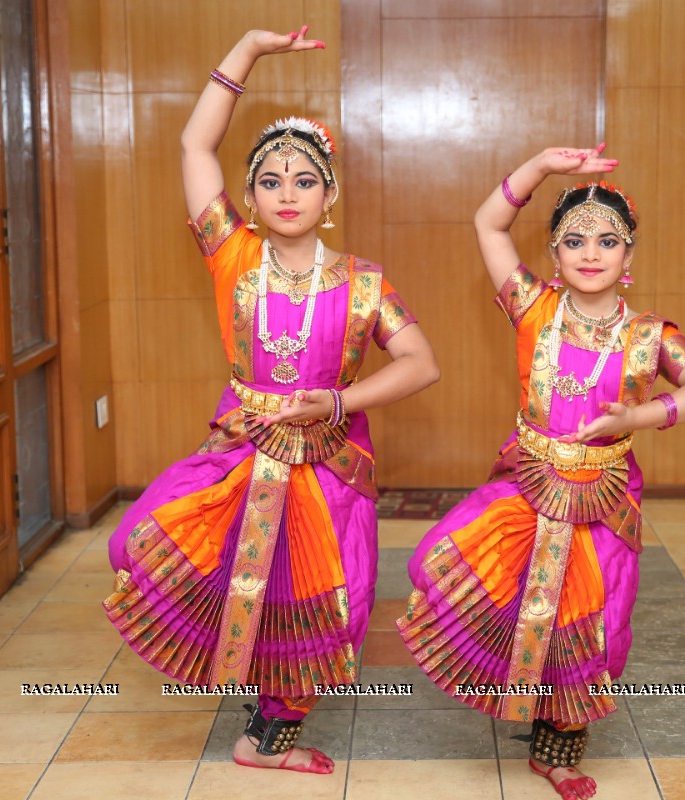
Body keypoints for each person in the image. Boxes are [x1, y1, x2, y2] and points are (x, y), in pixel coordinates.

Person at [104, 26, 439, 775]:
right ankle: (254, 687)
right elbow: (195, 148)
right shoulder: (234, 255)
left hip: (329, 459)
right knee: (156, 549)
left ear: (329, 195)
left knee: (332, 605)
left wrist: (333, 400)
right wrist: (246, 53)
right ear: (249, 198)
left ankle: (268, 737)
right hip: (243, 450)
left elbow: (420, 363)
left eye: (305, 180)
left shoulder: (363, 280)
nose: (288, 195)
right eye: (270, 181)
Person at [397, 146, 685, 800]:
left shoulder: (649, 335)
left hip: (603, 499)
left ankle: (558, 750)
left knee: (593, 625)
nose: (590, 251)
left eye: (608, 241)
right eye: (573, 240)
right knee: (455, 572)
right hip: (526, 486)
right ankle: (505, 684)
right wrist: (541, 165)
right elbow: (489, 224)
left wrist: (638, 419)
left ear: (628, 258)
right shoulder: (533, 307)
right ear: (552, 255)